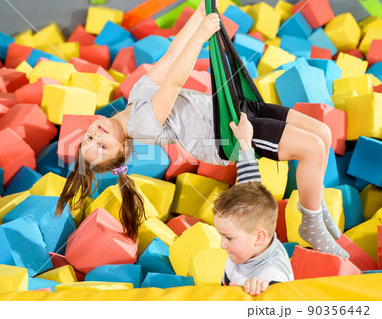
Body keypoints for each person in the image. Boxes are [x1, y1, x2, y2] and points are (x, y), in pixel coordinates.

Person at [56, 0, 349, 259]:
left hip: (236, 106)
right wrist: (202, 34)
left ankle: (317, 204)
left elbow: (171, 55)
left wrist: (200, 12)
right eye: (101, 147)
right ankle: (311, 223)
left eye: (89, 138)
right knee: (312, 148)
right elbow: (173, 81)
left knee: (322, 133)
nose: (97, 136)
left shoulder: (136, 97)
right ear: (123, 150)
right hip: (230, 133)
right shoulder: (141, 125)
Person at [214, 114, 293, 295]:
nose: (221, 244)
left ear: (259, 238)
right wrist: (245, 142)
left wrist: (262, 287)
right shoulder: (250, 241)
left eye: (228, 238)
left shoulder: (272, 274)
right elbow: (249, 183)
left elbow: (281, 296)